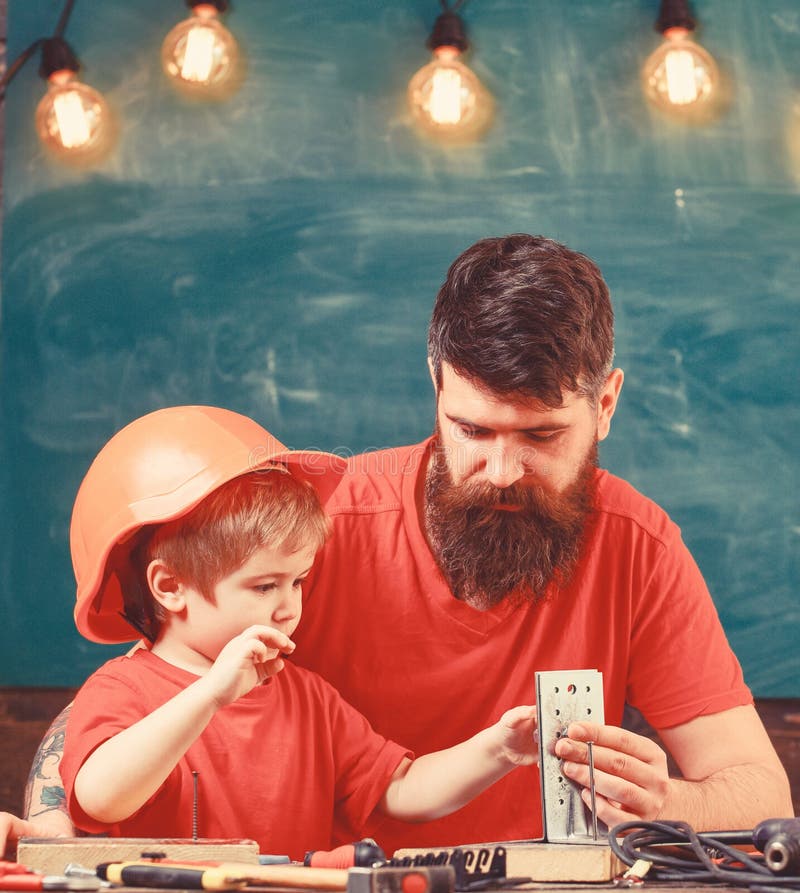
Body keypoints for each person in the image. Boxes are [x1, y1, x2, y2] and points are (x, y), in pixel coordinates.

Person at [9, 234, 792, 858]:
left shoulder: (640, 548)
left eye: (543, 434)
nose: (502, 470)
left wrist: (669, 803)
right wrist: (52, 829)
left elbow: (762, 794)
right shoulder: (314, 529)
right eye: (473, 429)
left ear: (607, 404)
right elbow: (136, 691)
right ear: (436, 384)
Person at [50, 405, 538, 860]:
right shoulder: (122, 691)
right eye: (264, 586)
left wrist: (496, 749)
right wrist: (210, 695)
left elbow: (404, 790)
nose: (289, 607)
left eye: (298, 581)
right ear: (170, 586)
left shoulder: (309, 700)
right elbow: (99, 799)